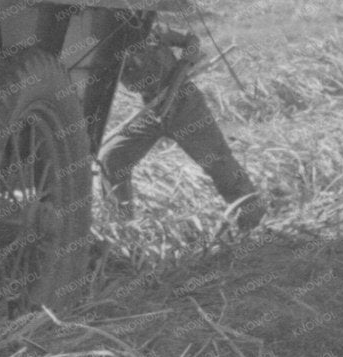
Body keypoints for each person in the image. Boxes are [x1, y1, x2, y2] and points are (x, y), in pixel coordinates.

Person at [98, 22, 263, 231]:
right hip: (151, 109)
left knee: (217, 162)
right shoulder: (105, 47)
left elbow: (191, 39)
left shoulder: (154, 30)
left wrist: (185, 64)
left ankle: (252, 219)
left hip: (186, 105)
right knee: (112, 158)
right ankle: (122, 228)